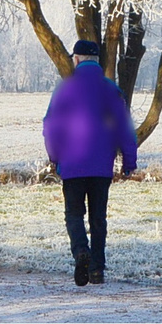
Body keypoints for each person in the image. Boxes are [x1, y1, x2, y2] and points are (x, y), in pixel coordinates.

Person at [41, 38, 139, 287]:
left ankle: (80, 251)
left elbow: (51, 126)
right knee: (98, 218)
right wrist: (129, 161)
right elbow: (124, 128)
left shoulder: (65, 89)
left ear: (76, 59)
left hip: (72, 164)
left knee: (74, 213)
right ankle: (97, 270)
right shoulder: (111, 89)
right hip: (100, 166)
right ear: (97, 61)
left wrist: (55, 156)